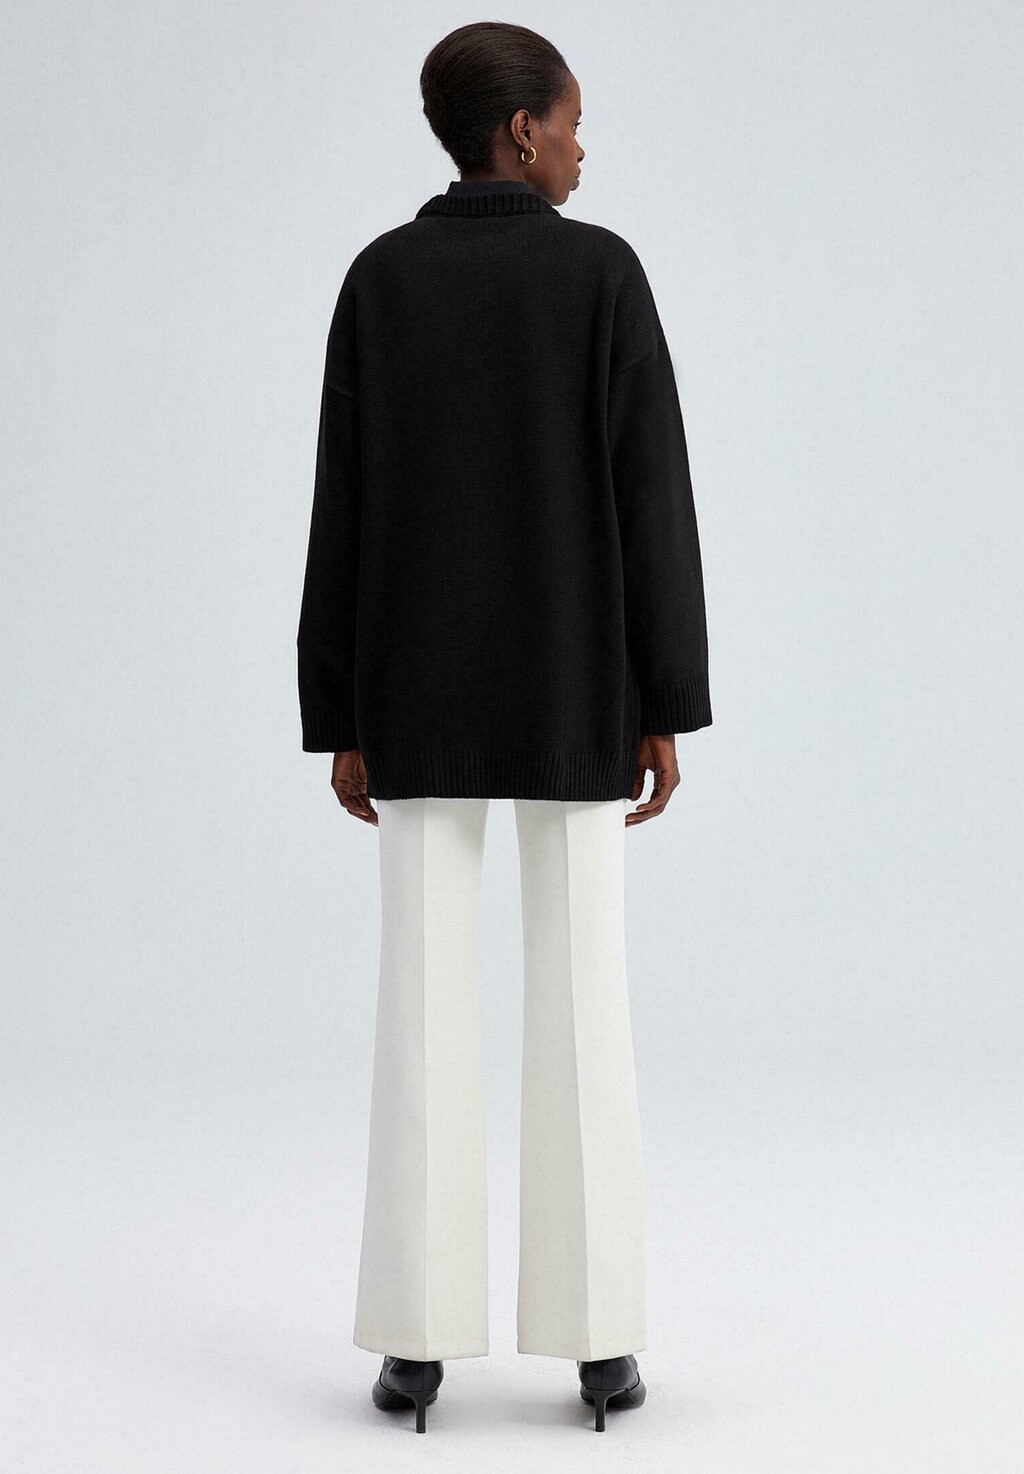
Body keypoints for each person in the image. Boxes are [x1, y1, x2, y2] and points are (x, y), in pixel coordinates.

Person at [296, 20, 712, 1434]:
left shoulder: (380, 279)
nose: (585, 148)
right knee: (586, 997)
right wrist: (664, 699)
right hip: (577, 682)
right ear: (521, 131)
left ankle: (416, 1345)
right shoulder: (601, 275)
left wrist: (340, 710)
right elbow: (651, 495)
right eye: (573, 123)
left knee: (419, 1002)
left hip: (412, 685)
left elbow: (342, 506)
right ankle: (598, 1341)